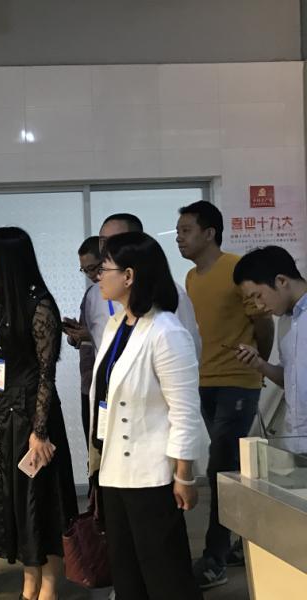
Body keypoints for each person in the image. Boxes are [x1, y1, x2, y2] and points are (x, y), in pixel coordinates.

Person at [89, 231, 203, 600]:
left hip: (153, 474)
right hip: (114, 471)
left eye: (104, 268)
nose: (98, 276)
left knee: (166, 575)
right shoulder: (116, 326)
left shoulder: (166, 331)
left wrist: (184, 475)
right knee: (127, 575)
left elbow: (185, 410)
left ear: (129, 276)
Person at [176, 201, 274, 589]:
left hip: (237, 381)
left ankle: (215, 558)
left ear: (209, 233)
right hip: (204, 381)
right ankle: (235, 542)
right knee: (228, 466)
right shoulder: (190, 278)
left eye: (186, 230)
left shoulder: (236, 268)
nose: (179, 237)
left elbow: (263, 322)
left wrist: (258, 366)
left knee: (220, 465)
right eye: (178, 231)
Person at [0, 227, 78, 600]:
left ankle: (49, 583)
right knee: (15, 499)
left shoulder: (40, 305)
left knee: (41, 498)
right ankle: (29, 578)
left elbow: (45, 374)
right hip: (1, 414)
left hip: (33, 415)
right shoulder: (0, 303)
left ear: (5, 259)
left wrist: (39, 431)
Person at [87, 213, 202, 358]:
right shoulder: (96, 294)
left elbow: (187, 353)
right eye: (103, 241)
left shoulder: (167, 294)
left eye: (116, 240)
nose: (107, 248)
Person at [232, 246, 307, 447]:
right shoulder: (285, 322)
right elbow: (289, 380)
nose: (259, 306)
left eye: (258, 295)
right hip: (296, 441)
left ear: (281, 281)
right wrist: (259, 364)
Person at [63, 236, 101, 443]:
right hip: (88, 380)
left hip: (109, 382)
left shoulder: (123, 295)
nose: (91, 275)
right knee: (92, 445)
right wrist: (75, 334)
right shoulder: (91, 294)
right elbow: (82, 337)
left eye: (92, 268)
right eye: (84, 270)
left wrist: (91, 335)